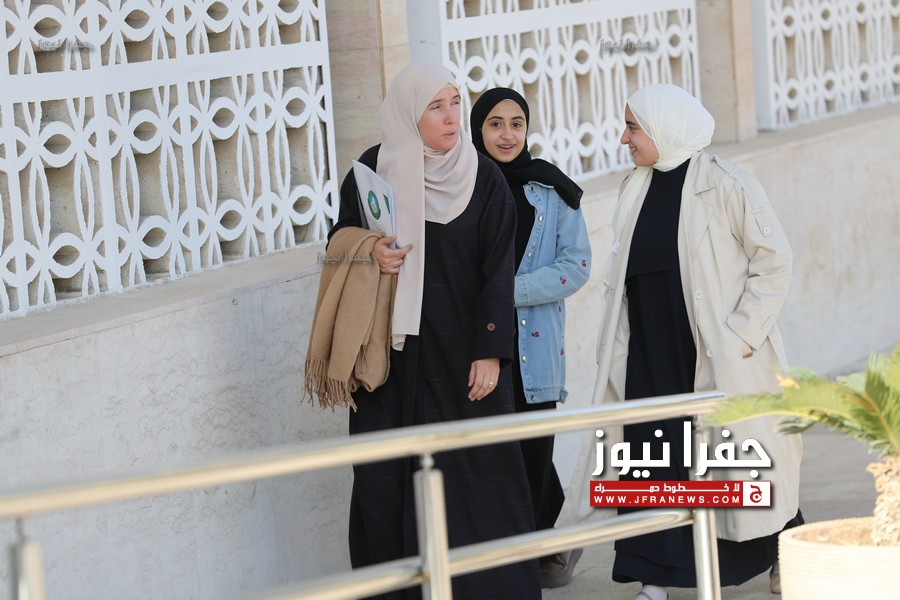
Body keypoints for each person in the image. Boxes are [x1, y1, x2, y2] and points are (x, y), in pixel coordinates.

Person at [557, 83, 803, 600]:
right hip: (648, 352)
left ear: (663, 128)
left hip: (711, 352)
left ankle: (784, 548)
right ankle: (655, 579)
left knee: (739, 462)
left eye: (632, 127)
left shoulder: (727, 184)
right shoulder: (635, 188)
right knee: (651, 459)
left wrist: (740, 333)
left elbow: (774, 261)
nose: (624, 138)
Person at [328, 62, 540, 600]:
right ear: (408, 114)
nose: (451, 118)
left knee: (476, 476)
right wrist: (369, 252)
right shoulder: (373, 171)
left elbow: (499, 270)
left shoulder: (482, 177)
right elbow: (338, 243)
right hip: (390, 362)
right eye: (435, 107)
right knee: (386, 479)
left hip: (463, 358)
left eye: (455, 104)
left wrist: (491, 350)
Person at [469, 88, 591, 589]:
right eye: (495, 123)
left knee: (533, 451)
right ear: (477, 128)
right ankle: (540, 546)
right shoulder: (462, 186)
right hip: (479, 347)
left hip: (533, 346)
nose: (507, 134)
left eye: (516, 123)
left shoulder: (551, 189)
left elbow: (575, 265)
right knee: (497, 454)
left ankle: (538, 553)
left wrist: (505, 294)